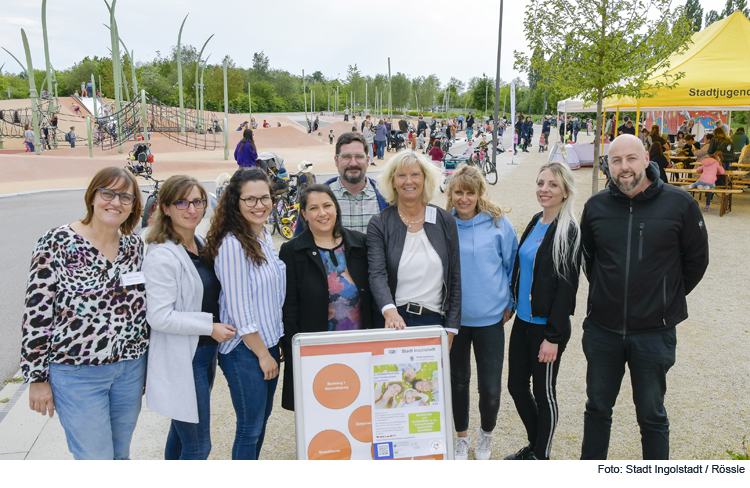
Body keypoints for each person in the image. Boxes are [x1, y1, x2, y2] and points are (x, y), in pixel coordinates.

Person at [579, 134, 709, 460]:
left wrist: (662, 296)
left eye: (631, 159)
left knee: (652, 416)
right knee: (596, 410)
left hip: (654, 333)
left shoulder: (680, 204)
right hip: (603, 332)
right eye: (616, 160)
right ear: (608, 164)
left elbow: (696, 261)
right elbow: (590, 260)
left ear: (645, 159)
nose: (624, 167)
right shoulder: (595, 207)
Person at [21, 166, 147, 459]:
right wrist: (37, 378)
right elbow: (36, 314)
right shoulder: (56, 243)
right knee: (95, 459)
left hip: (129, 370)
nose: (115, 202)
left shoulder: (134, 247)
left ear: (133, 207)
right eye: (108, 193)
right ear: (93, 196)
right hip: (77, 373)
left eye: (125, 198)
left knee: (120, 455)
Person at [142, 175, 236, 460]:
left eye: (197, 201)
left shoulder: (200, 245)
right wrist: (210, 327)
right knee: (198, 446)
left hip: (204, 355)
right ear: (166, 208)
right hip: (185, 358)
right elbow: (159, 317)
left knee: (180, 436)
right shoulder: (162, 255)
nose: (191, 209)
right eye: (181, 202)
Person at [204, 168, 286, 460]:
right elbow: (239, 309)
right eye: (249, 199)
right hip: (245, 350)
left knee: (260, 423)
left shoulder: (262, 235)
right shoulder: (232, 245)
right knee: (249, 428)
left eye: (264, 198)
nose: (259, 205)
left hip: (267, 344)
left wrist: (275, 343)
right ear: (235, 202)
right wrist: (264, 354)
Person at [505, 161, 582, 461]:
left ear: (565, 190)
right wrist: (511, 304)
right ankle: (535, 445)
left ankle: (542, 456)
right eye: (540, 183)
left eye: (552, 184)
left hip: (547, 327)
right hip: (523, 321)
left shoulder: (569, 230)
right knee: (515, 386)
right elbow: (522, 270)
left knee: (544, 392)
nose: (544, 189)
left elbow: (567, 288)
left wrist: (553, 336)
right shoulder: (537, 220)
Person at [279, 185, 374, 411]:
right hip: (317, 351)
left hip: (360, 347)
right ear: (303, 214)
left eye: (327, 205)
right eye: (314, 208)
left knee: (360, 407)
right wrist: (293, 351)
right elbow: (288, 307)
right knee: (321, 411)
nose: (322, 213)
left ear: (336, 208)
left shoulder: (361, 243)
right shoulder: (292, 251)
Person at [446, 165, 518, 461]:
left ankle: (486, 435)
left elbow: (513, 266)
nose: (464, 198)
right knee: (458, 382)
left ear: (479, 194)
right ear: (450, 194)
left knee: (489, 386)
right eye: (458, 192)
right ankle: (461, 438)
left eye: (470, 193)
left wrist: (511, 302)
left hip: (490, 319)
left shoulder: (499, 223)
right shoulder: (442, 223)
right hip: (455, 321)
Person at [367, 151, 461, 340]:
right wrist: (389, 311)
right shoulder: (379, 223)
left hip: (433, 322)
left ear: (425, 179)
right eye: (401, 175)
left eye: (415, 174)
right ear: (392, 182)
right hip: (393, 321)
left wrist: (451, 328)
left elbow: (455, 277)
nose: (408, 181)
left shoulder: (445, 220)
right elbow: (377, 273)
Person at [293, 132, 388, 237]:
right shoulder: (315, 199)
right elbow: (299, 244)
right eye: (346, 157)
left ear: (368, 160)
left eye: (359, 156)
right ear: (336, 160)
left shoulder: (386, 197)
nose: (353, 163)